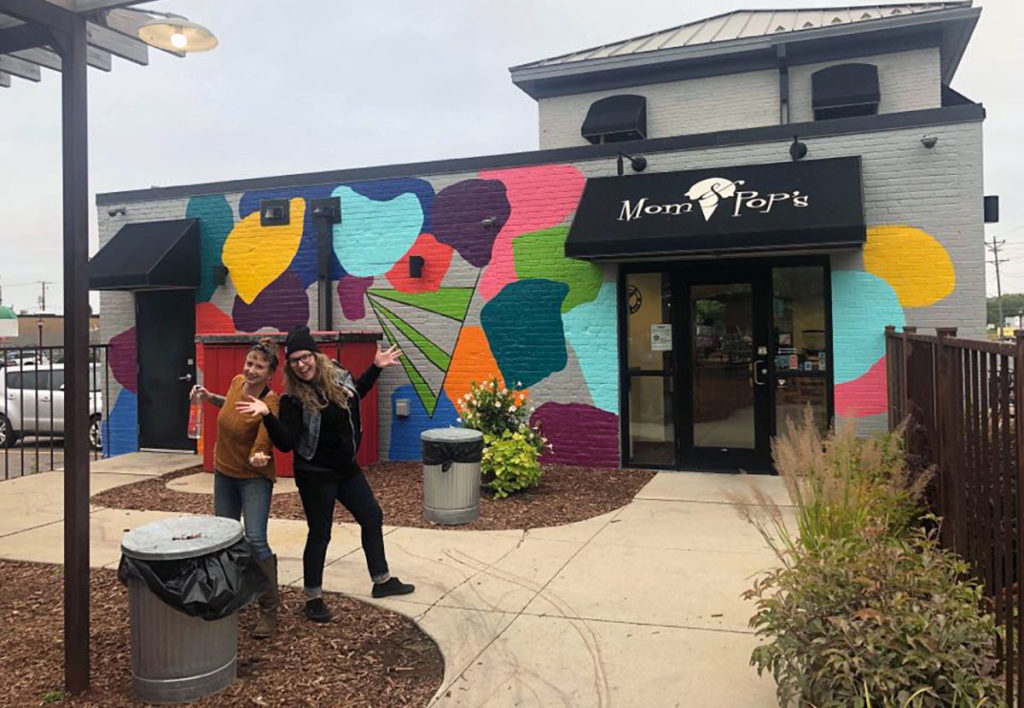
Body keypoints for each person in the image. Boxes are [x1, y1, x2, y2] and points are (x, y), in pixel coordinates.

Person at [236, 326, 414, 623]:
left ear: (315, 356)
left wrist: (376, 368)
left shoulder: (337, 377)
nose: (301, 364)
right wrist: (267, 415)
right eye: (295, 361)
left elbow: (357, 394)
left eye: (305, 357)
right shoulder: (293, 399)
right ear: (290, 366)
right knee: (320, 533)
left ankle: (382, 580)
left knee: (372, 516)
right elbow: (285, 443)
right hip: (315, 474)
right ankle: (313, 597)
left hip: (346, 469)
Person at [191, 338, 281, 638]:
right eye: (250, 362)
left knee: (255, 539)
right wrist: (208, 396)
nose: (252, 369)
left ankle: (269, 610)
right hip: (224, 472)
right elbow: (229, 405)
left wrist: (260, 453)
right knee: (226, 538)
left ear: (270, 374)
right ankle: (230, 597)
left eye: (259, 366)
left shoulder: (270, 400)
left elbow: (265, 435)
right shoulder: (236, 382)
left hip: (253, 477)